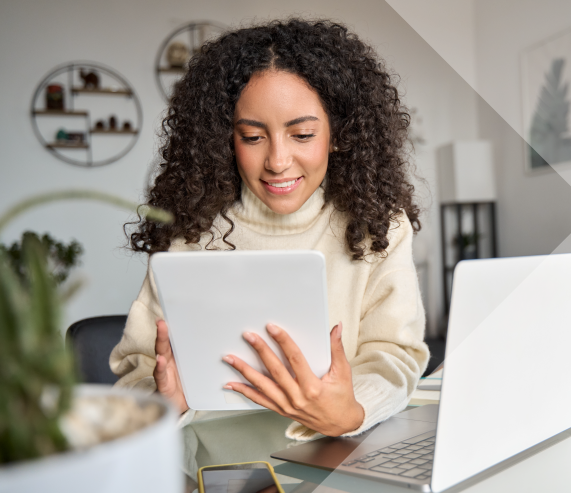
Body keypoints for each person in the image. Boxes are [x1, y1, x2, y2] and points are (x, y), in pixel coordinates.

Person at [110, 18, 429, 441]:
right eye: (252, 137)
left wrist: (353, 409)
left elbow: (394, 352)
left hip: (337, 453)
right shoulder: (188, 233)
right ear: (225, 138)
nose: (278, 161)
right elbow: (136, 371)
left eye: (302, 134)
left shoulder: (378, 227)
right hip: (206, 460)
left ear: (338, 134)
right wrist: (164, 404)